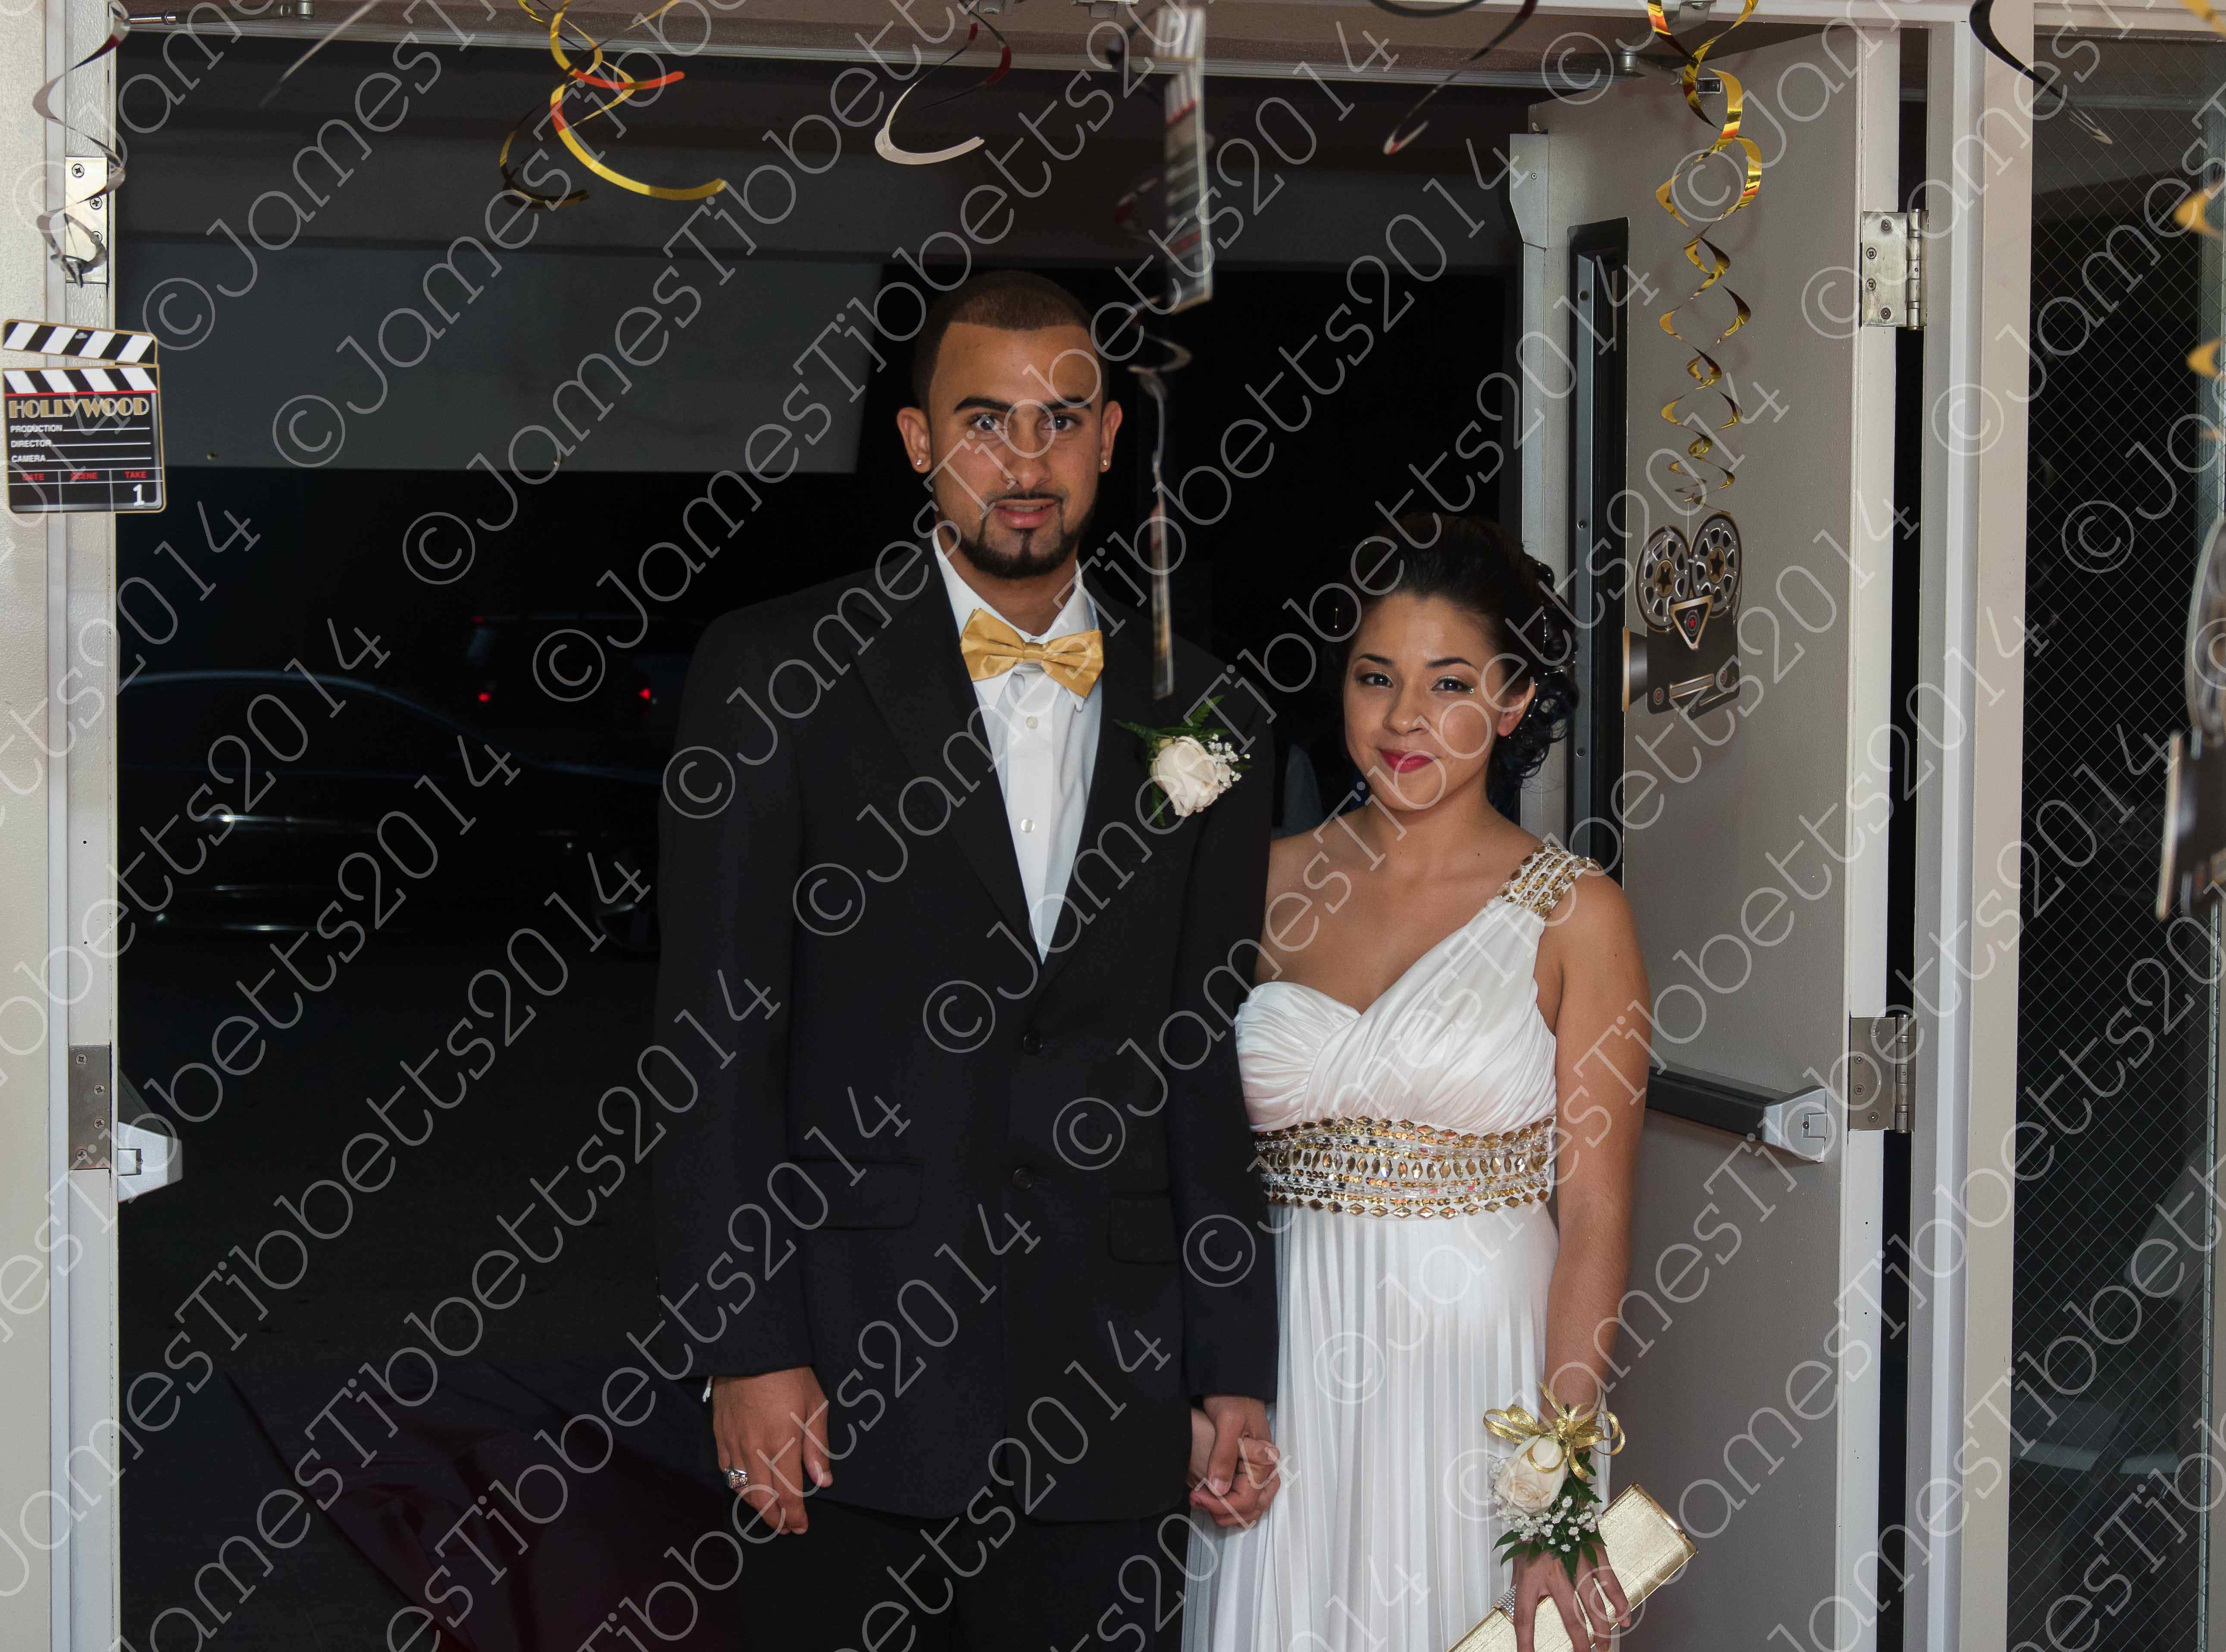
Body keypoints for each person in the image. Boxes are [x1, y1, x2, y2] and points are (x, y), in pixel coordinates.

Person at [650, 271, 1282, 1648]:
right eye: (985, 421)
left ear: (1110, 438)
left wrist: (1233, 1361)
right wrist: (747, 1347)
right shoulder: (774, 672)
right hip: (850, 1365)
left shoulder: (1214, 709)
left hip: (1119, 1377)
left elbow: (1204, 1052)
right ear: (919, 443)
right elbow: (712, 1045)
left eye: (1060, 420)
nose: (1025, 460)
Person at [1183, 515, 1653, 1652]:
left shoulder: (1577, 912)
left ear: (1513, 700)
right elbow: (1182, 1154)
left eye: (1449, 685)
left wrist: (1558, 1485)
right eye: (1374, 678)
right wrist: (1198, 1386)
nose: (1403, 719)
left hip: (1479, 1375)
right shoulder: (1254, 884)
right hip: (1284, 1365)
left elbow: (1595, 1215)